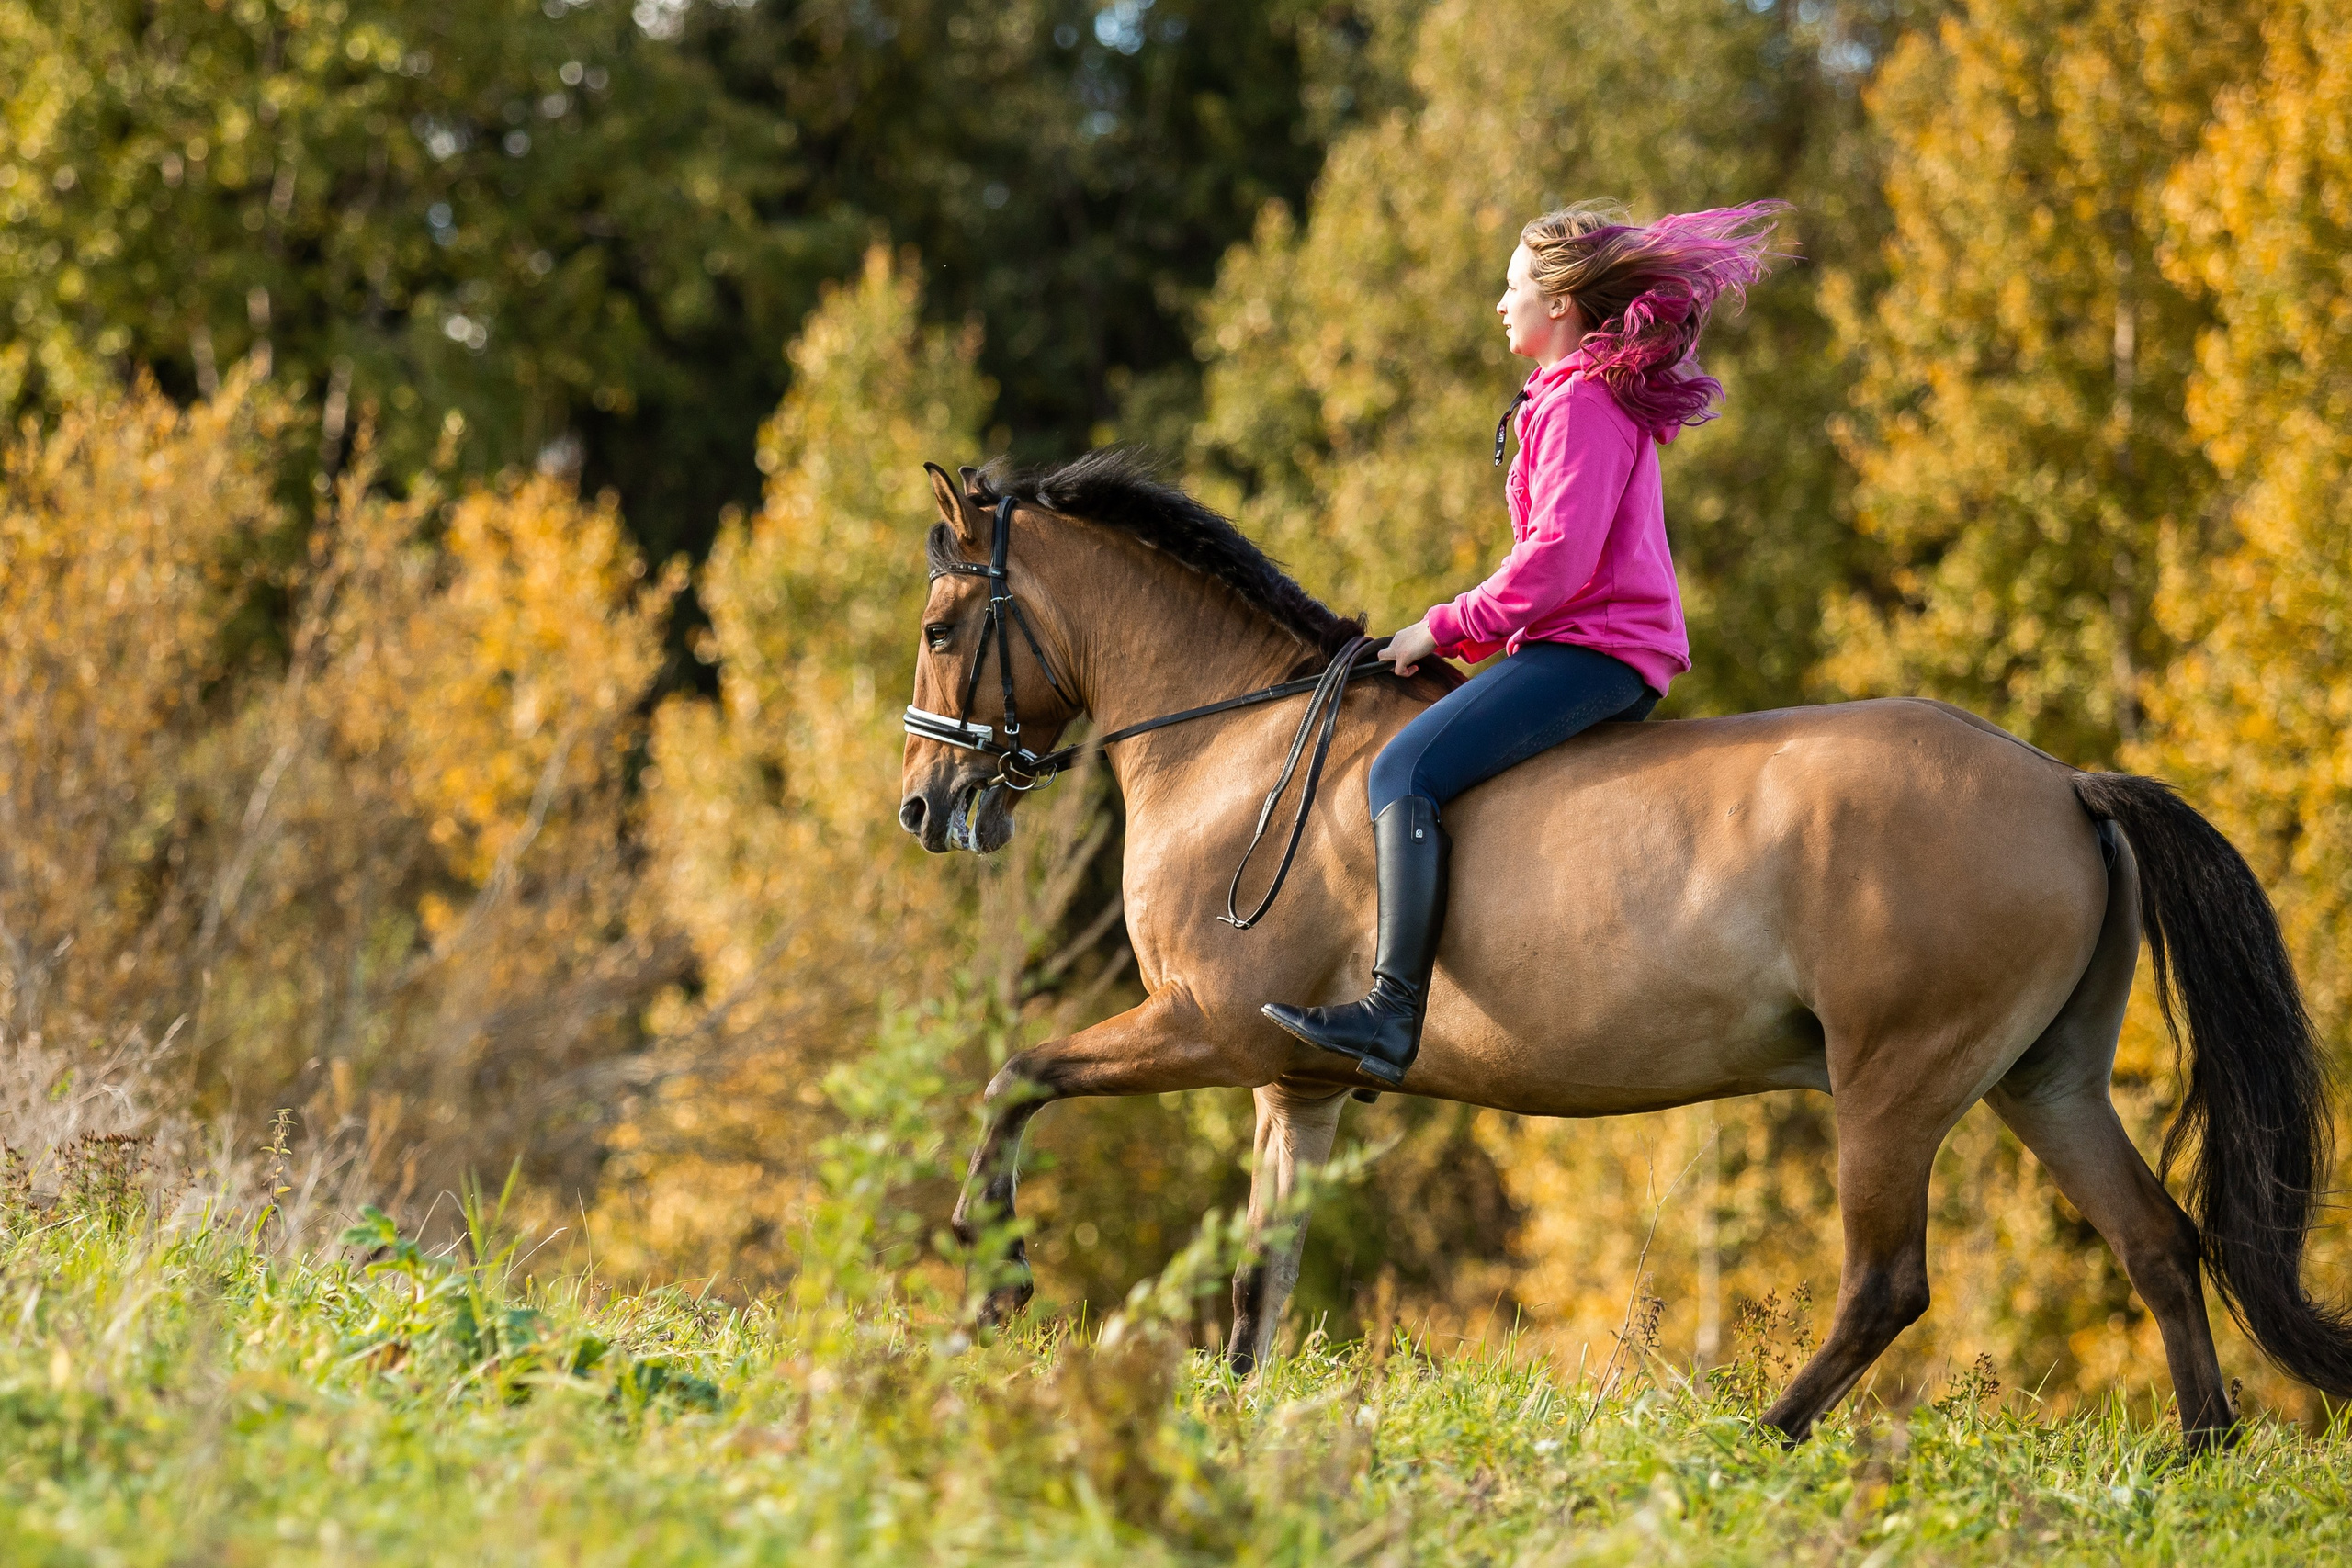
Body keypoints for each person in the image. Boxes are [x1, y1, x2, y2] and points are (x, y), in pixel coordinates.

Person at [1261, 199, 1787, 1086]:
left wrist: (1445, 623)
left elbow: (1556, 560)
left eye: (1513, 289)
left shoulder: (1580, 399)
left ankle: (1391, 1015)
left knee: (1399, 772)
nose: (1500, 304)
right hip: (1583, 645)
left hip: (1599, 652)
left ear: (1562, 306)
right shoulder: (1570, 394)